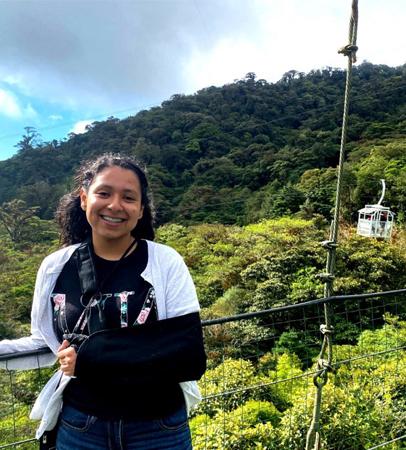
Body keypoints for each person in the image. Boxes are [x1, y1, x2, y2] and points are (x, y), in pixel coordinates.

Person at [0, 153, 206, 449]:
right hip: (81, 427)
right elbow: (47, 345)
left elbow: (188, 355)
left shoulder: (165, 262)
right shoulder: (55, 267)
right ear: (84, 198)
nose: (115, 205)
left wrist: (91, 359)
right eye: (104, 193)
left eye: (128, 197)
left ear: (140, 210)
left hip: (158, 428)